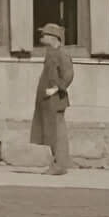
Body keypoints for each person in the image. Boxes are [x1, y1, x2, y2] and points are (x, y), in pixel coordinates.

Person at [30, 22, 73, 175]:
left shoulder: (62, 53)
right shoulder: (51, 52)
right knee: (50, 132)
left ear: (54, 37)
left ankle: (60, 166)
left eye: (45, 35)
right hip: (48, 100)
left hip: (56, 99)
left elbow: (68, 75)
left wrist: (55, 89)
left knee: (58, 134)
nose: (42, 38)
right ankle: (56, 163)